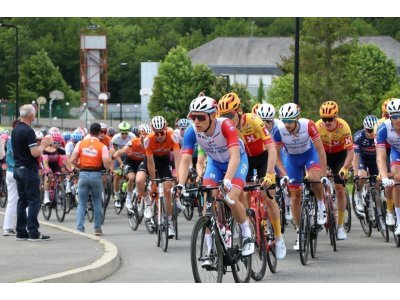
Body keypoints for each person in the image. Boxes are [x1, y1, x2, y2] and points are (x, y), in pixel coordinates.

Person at [175, 95, 254, 258]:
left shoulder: (225, 125)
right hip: (215, 164)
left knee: (231, 197)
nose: (196, 121)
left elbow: (235, 156)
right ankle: (209, 249)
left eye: (200, 117)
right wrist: (180, 184)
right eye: (193, 116)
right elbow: (185, 161)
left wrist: (227, 180)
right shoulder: (192, 131)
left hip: (236, 162)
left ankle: (246, 234)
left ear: (212, 116)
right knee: (208, 201)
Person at [217, 92, 286, 259]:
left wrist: (270, 173)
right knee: (243, 192)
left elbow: (271, 148)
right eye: (224, 116)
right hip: (245, 160)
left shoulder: (254, 120)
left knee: (268, 198)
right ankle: (249, 224)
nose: (228, 119)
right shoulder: (226, 128)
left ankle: (278, 237)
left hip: (262, 158)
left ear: (239, 111)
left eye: (230, 115)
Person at [274, 103, 328, 250]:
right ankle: (300, 232)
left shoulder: (308, 125)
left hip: (310, 155)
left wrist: (323, 174)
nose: (286, 124)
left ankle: (321, 204)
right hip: (292, 160)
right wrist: (283, 173)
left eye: (290, 121)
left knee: (314, 178)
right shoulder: (279, 131)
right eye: (284, 121)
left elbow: (320, 150)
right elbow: (275, 154)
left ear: (297, 118)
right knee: (295, 196)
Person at [135, 116, 181, 238]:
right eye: (157, 133)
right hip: (150, 161)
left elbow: (177, 156)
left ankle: (170, 223)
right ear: (152, 131)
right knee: (139, 180)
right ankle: (147, 202)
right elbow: (150, 163)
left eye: (162, 133)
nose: (159, 136)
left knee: (167, 191)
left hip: (164, 162)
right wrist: (154, 184)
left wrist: (177, 173)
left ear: (165, 129)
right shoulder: (148, 140)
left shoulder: (172, 135)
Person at [12, 104, 52, 241]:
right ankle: (33, 232)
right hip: (28, 169)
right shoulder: (29, 131)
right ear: (32, 116)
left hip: (17, 168)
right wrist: (44, 144)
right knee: (34, 201)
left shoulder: (15, 129)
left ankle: (21, 231)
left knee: (22, 201)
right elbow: (35, 152)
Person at [315, 101, 354, 240]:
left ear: (336, 116)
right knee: (316, 182)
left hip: (340, 157)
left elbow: (350, 152)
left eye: (330, 119)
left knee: (339, 188)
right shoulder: (317, 126)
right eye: (324, 119)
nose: (326, 122)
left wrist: (345, 167)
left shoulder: (344, 127)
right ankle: (321, 208)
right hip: (323, 155)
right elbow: (313, 150)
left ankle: (340, 225)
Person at [69, 123, 111, 235]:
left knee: (82, 202)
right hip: (96, 174)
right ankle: (97, 228)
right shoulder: (102, 146)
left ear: (89, 131)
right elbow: (107, 163)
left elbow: (72, 159)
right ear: (99, 132)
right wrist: (108, 170)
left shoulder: (80, 143)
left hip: (83, 174)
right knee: (97, 202)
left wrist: (80, 166)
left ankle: (80, 228)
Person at [376, 98, 400, 235]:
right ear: (389, 117)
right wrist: (384, 176)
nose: (398, 120)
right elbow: (380, 156)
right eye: (395, 116)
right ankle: (398, 220)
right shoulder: (383, 128)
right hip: (396, 151)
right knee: (397, 178)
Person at [113, 123, 151, 210]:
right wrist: (121, 163)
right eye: (143, 135)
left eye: (147, 136)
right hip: (129, 162)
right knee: (131, 178)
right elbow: (116, 154)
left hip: (141, 163)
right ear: (140, 135)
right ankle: (128, 198)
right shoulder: (132, 142)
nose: (145, 138)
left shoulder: (150, 144)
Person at [352, 115, 379, 218]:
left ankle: (379, 211)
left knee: (376, 185)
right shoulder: (359, 136)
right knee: (362, 176)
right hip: (362, 159)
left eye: (374, 130)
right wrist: (355, 175)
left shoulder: (380, 136)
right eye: (369, 130)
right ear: (364, 129)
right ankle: (358, 196)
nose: (372, 133)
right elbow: (356, 156)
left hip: (375, 160)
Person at [109, 122, 135, 208]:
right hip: (118, 156)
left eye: (126, 133)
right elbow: (114, 153)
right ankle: (117, 197)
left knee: (130, 175)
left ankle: (127, 190)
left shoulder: (132, 137)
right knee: (117, 176)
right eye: (122, 133)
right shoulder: (115, 139)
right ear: (120, 131)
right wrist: (121, 163)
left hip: (129, 155)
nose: (124, 135)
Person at [3, 119, 19, 236]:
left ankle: (7, 227)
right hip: (19, 170)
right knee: (25, 199)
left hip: (9, 171)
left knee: (12, 200)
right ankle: (26, 226)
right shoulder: (17, 139)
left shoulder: (9, 139)